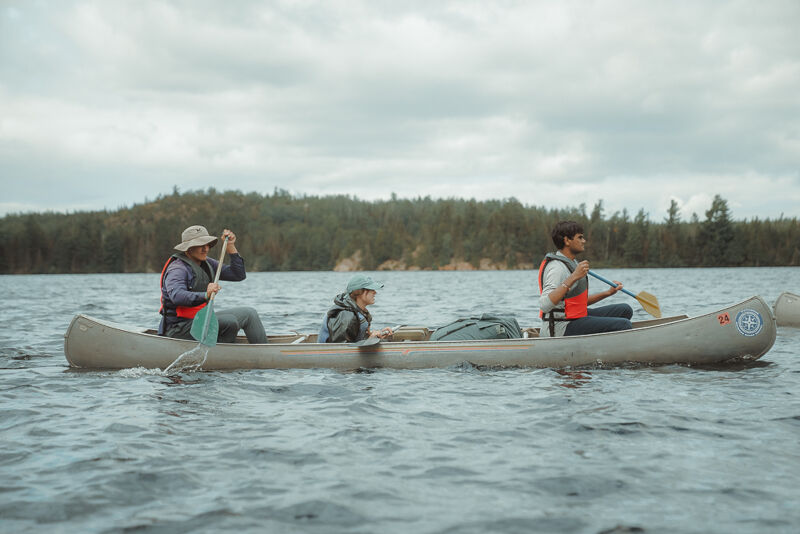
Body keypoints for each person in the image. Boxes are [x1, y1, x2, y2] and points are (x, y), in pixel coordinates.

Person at [159, 225, 267, 344]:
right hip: (178, 328)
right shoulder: (178, 269)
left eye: (207, 244)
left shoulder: (207, 262)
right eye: (200, 245)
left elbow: (238, 275)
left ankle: (265, 353)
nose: (205, 249)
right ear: (188, 248)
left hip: (201, 320)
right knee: (229, 321)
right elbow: (177, 296)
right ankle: (223, 355)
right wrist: (206, 294)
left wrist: (231, 247)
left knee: (249, 313)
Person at [538, 221, 633, 337]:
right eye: (580, 237)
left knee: (625, 310)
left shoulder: (572, 263)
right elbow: (545, 304)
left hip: (575, 317)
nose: (584, 241)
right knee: (624, 325)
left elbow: (578, 303)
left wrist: (607, 293)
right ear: (567, 240)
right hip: (561, 327)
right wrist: (573, 277)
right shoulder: (557, 268)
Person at [318, 274, 394, 343]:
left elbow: (356, 339)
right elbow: (340, 351)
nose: (375, 292)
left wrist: (378, 335)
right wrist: (370, 340)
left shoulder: (358, 312)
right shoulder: (346, 315)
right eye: (371, 289)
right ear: (360, 292)